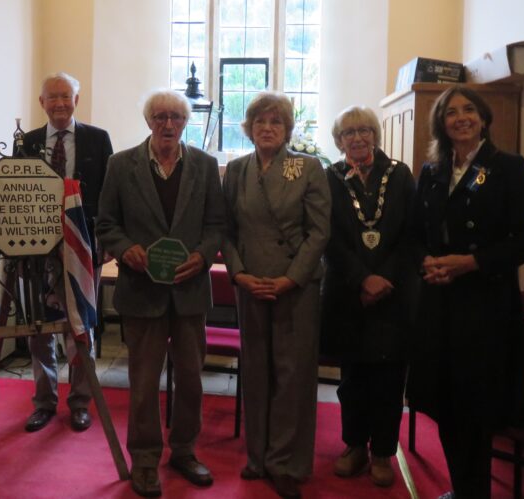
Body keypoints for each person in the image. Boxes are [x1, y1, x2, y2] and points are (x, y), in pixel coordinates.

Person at [406, 85, 524, 499]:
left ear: (483, 118)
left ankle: (475, 492)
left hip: (484, 305)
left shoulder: (508, 167)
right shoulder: (432, 170)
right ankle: (461, 489)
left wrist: (471, 263)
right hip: (438, 301)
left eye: (468, 110)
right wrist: (426, 261)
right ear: (440, 123)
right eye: (450, 112)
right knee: (445, 402)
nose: (460, 117)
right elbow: (413, 233)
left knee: (476, 406)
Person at [96, 90, 225, 497]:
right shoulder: (121, 165)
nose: (168, 124)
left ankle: (185, 451)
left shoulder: (204, 166)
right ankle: (146, 460)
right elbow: (106, 223)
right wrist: (124, 248)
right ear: (149, 121)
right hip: (141, 291)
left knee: (190, 379)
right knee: (144, 382)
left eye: (176, 117)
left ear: (186, 122)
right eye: (160, 116)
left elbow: (216, 225)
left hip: (189, 293)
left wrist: (203, 256)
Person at [221, 91, 330, 499]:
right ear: (248, 129)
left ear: (287, 130)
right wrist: (239, 274)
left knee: (293, 376)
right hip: (251, 285)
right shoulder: (235, 170)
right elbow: (226, 230)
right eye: (260, 122)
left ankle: (286, 463)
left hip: (294, 288)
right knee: (256, 371)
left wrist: (292, 278)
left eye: (276, 122)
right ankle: (258, 456)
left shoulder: (308, 167)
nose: (267, 128)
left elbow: (320, 232)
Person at [319, 106, 417, 489]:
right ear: (338, 139)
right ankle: (354, 445)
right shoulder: (330, 177)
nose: (357, 138)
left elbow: (411, 234)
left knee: (389, 377)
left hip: (393, 294)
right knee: (352, 376)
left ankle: (382, 452)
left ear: (375, 134)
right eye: (348, 132)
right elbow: (328, 236)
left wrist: (384, 277)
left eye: (363, 130)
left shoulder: (400, 174)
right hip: (348, 292)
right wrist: (361, 278)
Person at [22, 72, 113, 433]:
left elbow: (108, 196)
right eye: (52, 97)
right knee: (39, 329)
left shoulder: (97, 139)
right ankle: (43, 402)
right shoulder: (26, 142)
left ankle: (79, 402)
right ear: (41, 102)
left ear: (77, 99)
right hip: (35, 251)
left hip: (82, 248)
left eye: (66, 96)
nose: (60, 103)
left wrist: (103, 245)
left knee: (81, 327)